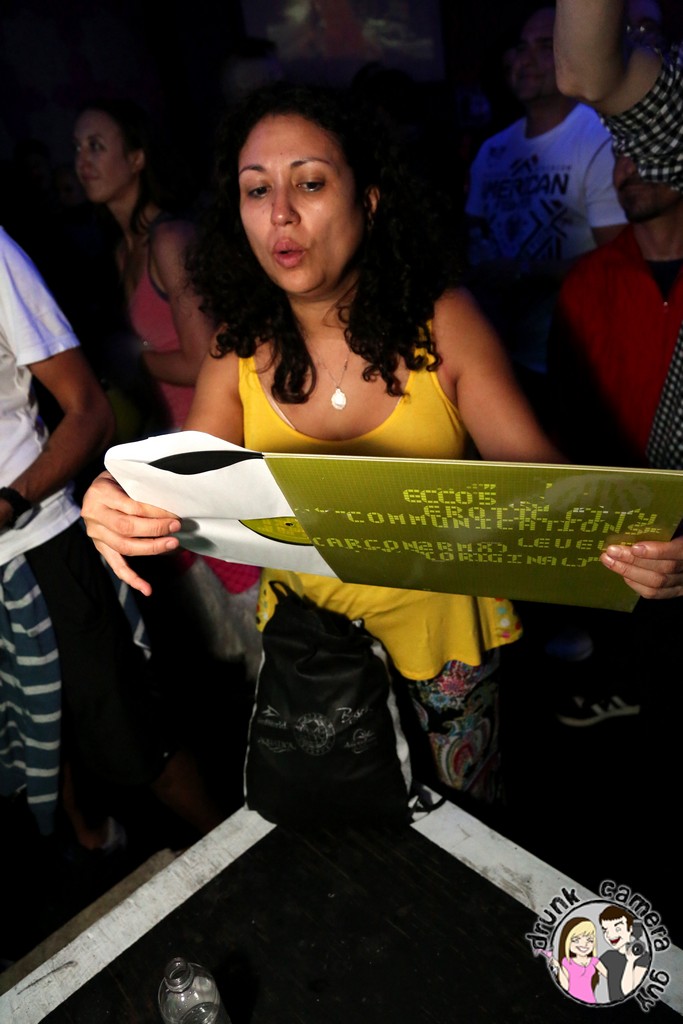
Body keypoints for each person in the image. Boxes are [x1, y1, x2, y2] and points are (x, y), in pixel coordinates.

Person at [79, 83, 675, 804]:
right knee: (349, 834)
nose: (280, 213)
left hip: (446, 651)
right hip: (313, 652)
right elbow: (183, 479)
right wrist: (115, 494)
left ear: (368, 199)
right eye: (256, 189)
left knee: (465, 830)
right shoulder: (235, 347)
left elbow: (540, 477)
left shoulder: (443, 322)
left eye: (309, 183)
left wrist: (638, 538)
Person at [0, 227, 221, 847]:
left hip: (40, 543)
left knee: (132, 734)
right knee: (34, 742)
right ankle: (95, 846)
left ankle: (239, 847)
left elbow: (89, 409)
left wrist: (10, 502)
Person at [74, 99, 262, 679]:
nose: (82, 160)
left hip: (209, 448)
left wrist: (131, 357)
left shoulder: (168, 239)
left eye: (96, 146)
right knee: (223, 633)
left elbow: (208, 360)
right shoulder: (122, 250)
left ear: (136, 158)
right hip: (169, 455)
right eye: (77, 148)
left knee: (257, 619)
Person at [553, 0, 683, 596]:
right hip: (625, 539)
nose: (629, 167)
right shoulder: (590, 280)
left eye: (647, 33)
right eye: (618, 153)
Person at [465, 5, 625, 418]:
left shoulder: (597, 136)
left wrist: (524, 271)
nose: (526, 59)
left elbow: (619, 258)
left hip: (582, 355)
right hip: (506, 353)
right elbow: (474, 237)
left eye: (544, 46)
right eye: (521, 47)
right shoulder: (493, 149)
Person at [599, 906, 650, 1001]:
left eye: (617, 929)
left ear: (630, 929)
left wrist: (630, 961)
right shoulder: (608, 956)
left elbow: (627, 991)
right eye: (605, 930)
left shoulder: (643, 957)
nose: (610, 935)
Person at [552, 917, 607, 1003]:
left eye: (590, 940)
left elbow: (610, 976)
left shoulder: (594, 961)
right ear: (567, 941)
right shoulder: (567, 962)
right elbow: (565, 987)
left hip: (590, 1001)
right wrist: (558, 967)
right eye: (576, 940)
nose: (584, 944)